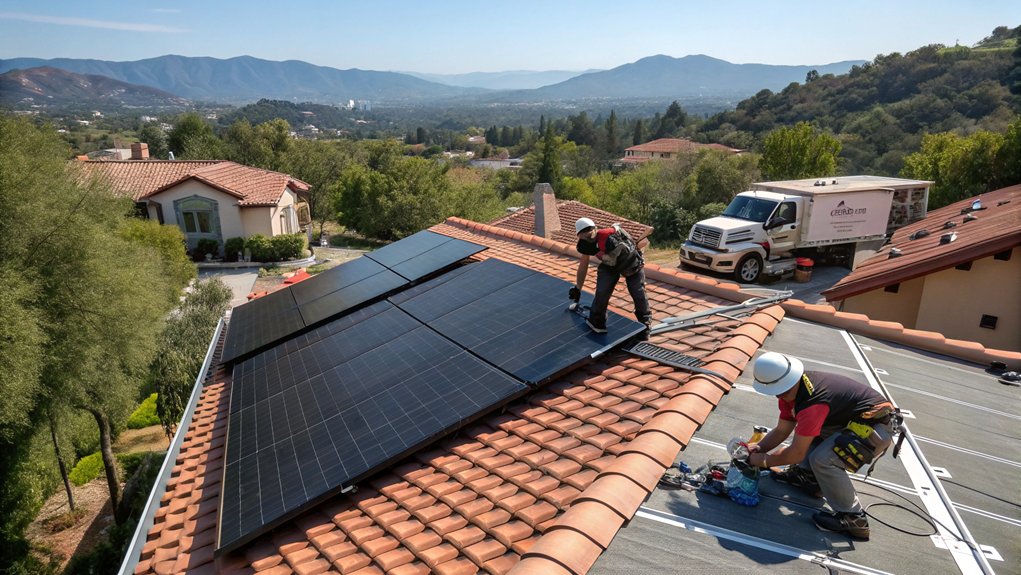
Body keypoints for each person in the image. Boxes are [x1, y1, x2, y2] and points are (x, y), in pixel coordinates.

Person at [744, 352, 898, 541]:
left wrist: (763, 461)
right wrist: (759, 448)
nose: (778, 395)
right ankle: (809, 479)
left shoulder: (812, 402)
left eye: (779, 391)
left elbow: (796, 454)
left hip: (875, 428)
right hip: (847, 422)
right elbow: (782, 430)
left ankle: (853, 518)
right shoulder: (791, 392)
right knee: (810, 437)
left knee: (824, 460)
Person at [571, 217, 651, 335]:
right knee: (602, 291)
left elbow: (634, 245)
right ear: (579, 236)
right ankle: (597, 322)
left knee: (638, 293)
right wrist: (578, 288)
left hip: (630, 262)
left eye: (589, 233)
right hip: (609, 266)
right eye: (584, 236)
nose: (588, 238)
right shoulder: (584, 244)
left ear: (595, 229)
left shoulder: (610, 237)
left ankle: (644, 326)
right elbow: (584, 264)